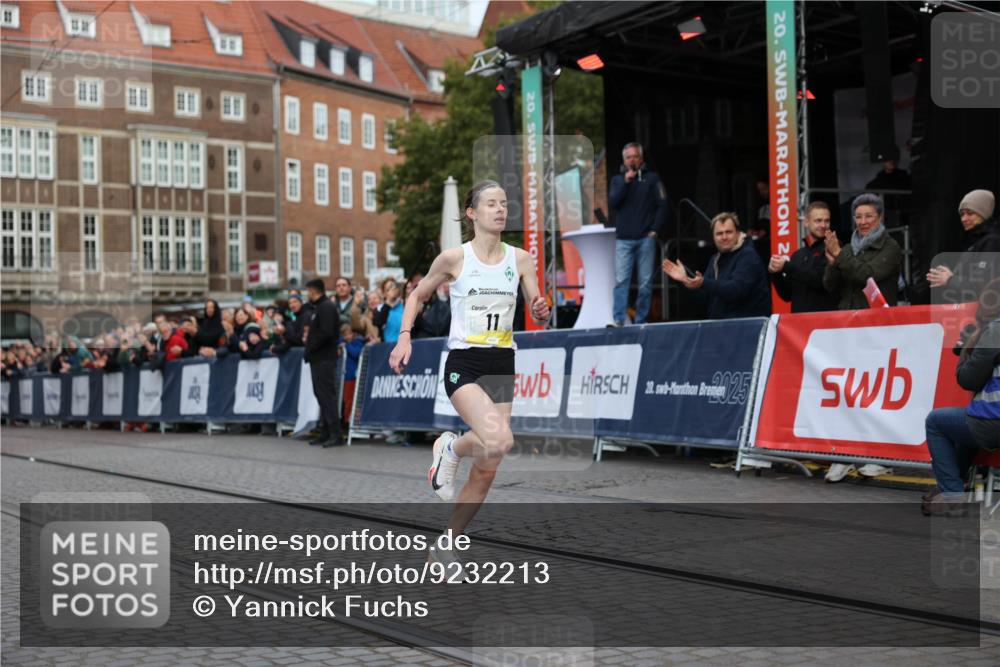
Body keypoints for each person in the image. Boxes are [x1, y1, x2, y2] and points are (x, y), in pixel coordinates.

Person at [388, 180, 550, 567]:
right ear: (472, 213)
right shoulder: (453, 258)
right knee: (499, 438)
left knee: (491, 460)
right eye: (491, 204)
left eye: (504, 203)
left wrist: (542, 309)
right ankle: (451, 448)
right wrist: (404, 337)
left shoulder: (521, 259)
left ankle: (446, 545)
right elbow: (416, 295)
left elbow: (538, 305)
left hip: (502, 363)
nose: (500, 209)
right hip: (465, 362)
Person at [922, 278, 1000, 515]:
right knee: (964, 424)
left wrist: (966, 350)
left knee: (936, 422)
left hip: (994, 422)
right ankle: (955, 484)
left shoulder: (995, 330)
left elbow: (967, 379)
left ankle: (953, 495)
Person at [661, 212, 771, 319]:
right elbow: (704, 299)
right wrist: (683, 280)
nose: (724, 237)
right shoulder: (715, 259)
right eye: (719, 233)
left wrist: (703, 282)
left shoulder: (748, 256)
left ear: (737, 233)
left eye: (728, 232)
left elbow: (735, 290)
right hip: (722, 328)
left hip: (749, 328)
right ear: (713, 237)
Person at [608, 142, 668, 326]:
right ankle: (618, 319)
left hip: (645, 239)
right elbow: (613, 203)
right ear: (624, 160)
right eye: (628, 157)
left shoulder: (652, 179)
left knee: (645, 283)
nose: (632, 160)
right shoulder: (618, 180)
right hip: (624, 240)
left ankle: (641, 319)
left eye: (635, 156)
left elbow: (663, 204)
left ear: (641, 158)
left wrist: (655, 231)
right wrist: (627, 182)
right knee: (621, 282)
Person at [823, 193, 903, 310]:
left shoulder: (890, 247)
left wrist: (839, 255)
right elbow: (830, 286)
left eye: (869, 216)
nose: (863, 222)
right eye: (858, 217)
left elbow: (867, 275)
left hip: (878, 320)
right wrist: (832, 265)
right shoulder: (848, 248)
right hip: (848, 319)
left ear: (880, 217)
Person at [927, 189, 999, 304]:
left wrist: (950, 279)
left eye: (970, 213)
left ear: (983, 213)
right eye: (962, 214)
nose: (964, 219)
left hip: (988, 315)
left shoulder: (992, 242)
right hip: (975, 312)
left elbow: (983, 285)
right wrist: (948, 277)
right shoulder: (974, 241)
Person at [769, 202, 839, 313]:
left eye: (827, 220)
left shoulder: (835, 248)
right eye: (818, 220)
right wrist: (775, 272)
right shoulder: (798, 255)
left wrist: (786, 266)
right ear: (806, 222)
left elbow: (821, 281)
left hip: (825, 323)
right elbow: (787, 295)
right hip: (799, 325)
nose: (823, 225)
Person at [304, 278, 343, 448]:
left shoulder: (326, 307)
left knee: (327, 397)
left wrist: (311, 346)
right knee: (321, 396)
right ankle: (326, 431)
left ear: (314, 290)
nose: (307, 294)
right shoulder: (320, 307)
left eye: (309, 291)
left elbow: (326, 333)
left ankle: (335, 434)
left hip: (324, 358)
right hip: (318, 358)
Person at [339, 323, 365, 433]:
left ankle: (351, 422)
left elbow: (356, 353)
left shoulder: (357, 342)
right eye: (345, 335)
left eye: (349, 334)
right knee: (345, 400)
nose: (347, 337)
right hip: (345, 376)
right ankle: (345, 422)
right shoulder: (342, 341)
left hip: (353, 376)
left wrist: (346, 345)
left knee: (351, 400)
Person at [375, 277, 404, 343]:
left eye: (393, 287)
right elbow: (378, 322)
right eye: (388, 289)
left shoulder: (404, 305)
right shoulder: (379, 308)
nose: (392, 290)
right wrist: (389, 302)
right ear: (384, 294)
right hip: (387, 347)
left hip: (405, 345)